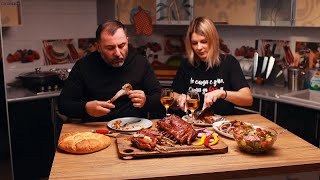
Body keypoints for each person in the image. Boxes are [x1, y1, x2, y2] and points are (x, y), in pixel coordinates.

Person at [58, 20, 163, 122]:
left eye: (122, 45)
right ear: (98, 47)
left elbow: (159, 97)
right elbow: (63, 104)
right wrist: (85, 108)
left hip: (134, 129)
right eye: (110, 48)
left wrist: (146, 101)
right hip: (95, 130)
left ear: (127, 40)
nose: (117, 53)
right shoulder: (84, 66)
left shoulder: (140, 63)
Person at [172, 17, 253, 116]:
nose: (199, 47)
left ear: (213, 40)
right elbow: (174, 95)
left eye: (204, 41)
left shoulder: (229, 62)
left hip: (221, 126)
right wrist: (179, 97)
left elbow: (248, 99)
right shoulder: (186, 64)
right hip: (192, 124)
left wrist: (223, 93)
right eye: (194, 43)